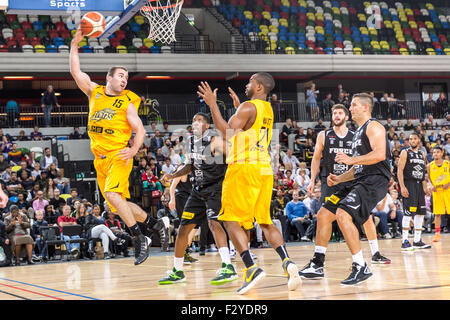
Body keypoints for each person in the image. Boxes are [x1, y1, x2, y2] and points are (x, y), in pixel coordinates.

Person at [197, 73, 300, 294]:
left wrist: (213, 105)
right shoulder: (267, 109)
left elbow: (226, 132)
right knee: (265, 221)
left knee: (229, 219)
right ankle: (288, 262)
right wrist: (237, 109)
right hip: (264, 169)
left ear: (260, 87)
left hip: (244, 167)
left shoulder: (247, 107)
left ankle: (251, 268)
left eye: (250, 81)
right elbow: (247, 128)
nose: (246, 84)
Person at [70, 27, 165, 265]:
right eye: (120, 75)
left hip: (119, 155)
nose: (124, 80)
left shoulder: (127, 102)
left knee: (113, 195)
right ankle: (153, 224)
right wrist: (74, 45)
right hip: (99, 159)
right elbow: (75, 72)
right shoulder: (95, 92)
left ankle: (139, 237)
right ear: (109, 78)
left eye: (126, 77)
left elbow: (140, 129)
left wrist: (134, 149)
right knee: (116, 202)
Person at [299, 104, 390, 281]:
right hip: (337, 181)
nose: (339, 113)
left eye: (347, 109)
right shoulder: (326, 135)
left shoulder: (371, 128)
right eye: (335, 112)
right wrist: (337, 178)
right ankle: (317, 264)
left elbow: (377, 156)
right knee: (324, 215)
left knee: (356, 217)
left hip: (366, 182)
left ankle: (366, 260)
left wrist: (350, 160)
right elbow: (320, 158)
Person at [159, 112, 237, 286]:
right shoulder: (191, 144)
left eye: (199, 120)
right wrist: (173, 176)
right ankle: (177, 271)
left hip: (215, 188)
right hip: (197, 191)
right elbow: (189, 166)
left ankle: (228, 267)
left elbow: (235, 154)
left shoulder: (214, 140)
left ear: (207, 126)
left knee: (214, 223)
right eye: (194, 120)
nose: (195, 123)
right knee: (183, 230)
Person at [397, 133, 431, 250]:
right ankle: (404, 241)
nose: (412, 140)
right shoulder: (405, 152)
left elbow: (423, 173)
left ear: (419, 141)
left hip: (419, 186)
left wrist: (425, 187)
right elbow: (400, 170)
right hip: (409, 184)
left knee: (420, 213)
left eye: (414, 138)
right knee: (408, 213)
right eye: (410, 139)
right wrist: (402, 186)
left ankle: (417, 240)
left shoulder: (422, 154)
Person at [427, 146, 450, 242]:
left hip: (447, 190)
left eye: (437, 152)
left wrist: (448, 184)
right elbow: (428, 178)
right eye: (434, 152)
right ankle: (437, 234)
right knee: (437, 214)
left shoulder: (447, 164)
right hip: (437, 191)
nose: (435, 154)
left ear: (442, 153)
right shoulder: (429, 166)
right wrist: (431, 185)